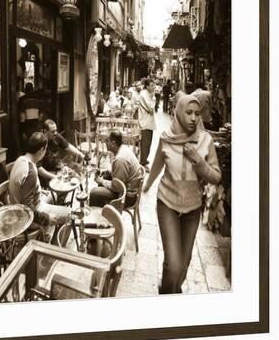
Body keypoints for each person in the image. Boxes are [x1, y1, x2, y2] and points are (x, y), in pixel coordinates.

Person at [143, 95, 221, 294]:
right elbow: (158, 164)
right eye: (189, 113)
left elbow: (216, 176)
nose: (194, 118)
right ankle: (169, 297)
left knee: (183, 266)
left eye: (197, 113)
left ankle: (169, 287)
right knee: (175, 264)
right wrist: (146, 186)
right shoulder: (167, 137)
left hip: (193, 209)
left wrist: (199, 162)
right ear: (179, 113)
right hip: (167, 203)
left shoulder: (206, 141)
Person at [9, 132, 71, 242]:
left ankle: (47, 235)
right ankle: (55, 250)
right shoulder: (31, 172)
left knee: (53, 195)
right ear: (41, 150)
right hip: (25, 218)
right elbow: (27, 209)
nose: (45, 152)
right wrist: (46, 218)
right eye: (45, 149)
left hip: (16, 207)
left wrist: (40, 190)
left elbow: (23, 187)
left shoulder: (21, 159)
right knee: (71, 214)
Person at [90, 130, 144, 208]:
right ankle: (104, 209)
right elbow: (118, 172)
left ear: (113, 143)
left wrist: (102, 181)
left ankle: (101, 215)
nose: (105, 143)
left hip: (127, 197)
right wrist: (103, 171)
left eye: (107, 141)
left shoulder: (120, 159)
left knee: (94, 193)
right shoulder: (122, 149)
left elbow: (117, 187)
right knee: (105, 177)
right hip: (126, 187)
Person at [38, 119, 84, 188]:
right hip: (46, 173)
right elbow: (39, 169)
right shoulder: (39, 142)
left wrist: (80, 154)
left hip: (57, 167)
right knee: (63, 185)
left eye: (56, 130)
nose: (56, 133)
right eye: (53, 131)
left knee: (76, 177)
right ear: (45, 131)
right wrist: (55, 177)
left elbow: (67, 145)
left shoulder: (55, 136)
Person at [138, 78, 156, 171]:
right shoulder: (144, 94)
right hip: (145, 122)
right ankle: (143, 162)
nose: (154, 87)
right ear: (147, 86)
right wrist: (153, 97)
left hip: (148, 122)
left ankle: (144, 160)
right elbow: (151, 107)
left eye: (154, 85)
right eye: (152, 86)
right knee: (145, 143)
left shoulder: (147, 94)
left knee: (148, 143)